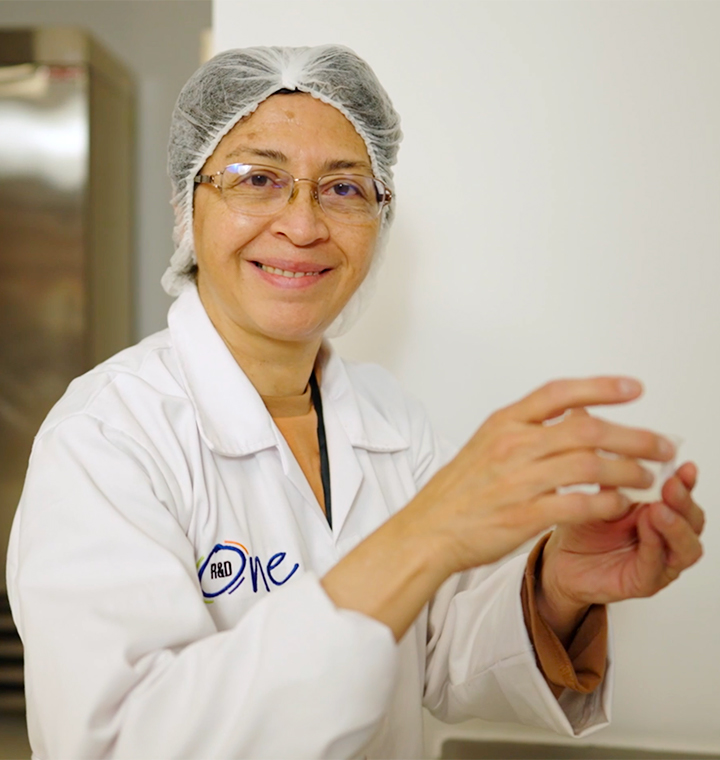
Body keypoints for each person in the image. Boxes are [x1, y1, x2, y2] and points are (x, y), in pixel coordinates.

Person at [6, 45, 704, 760]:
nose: (302, 225)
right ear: (190, 204)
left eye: (343, 189)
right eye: (258, 179)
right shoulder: (105, 438)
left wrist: (558, 587)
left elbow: (431, 659)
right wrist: (427, 534)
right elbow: (121, 742)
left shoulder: (387, 418)